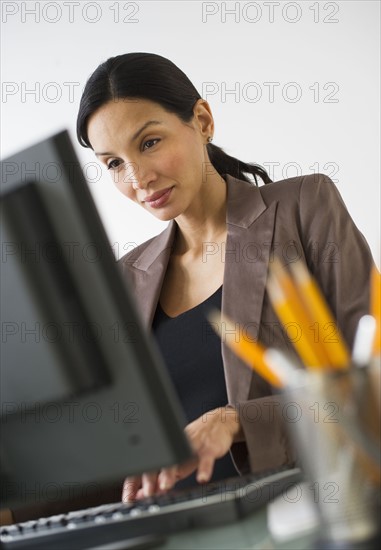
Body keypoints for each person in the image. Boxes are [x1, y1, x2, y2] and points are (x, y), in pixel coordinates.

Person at [76, 52, 376, 502]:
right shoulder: (126, 280)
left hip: (309, 509)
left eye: (150, 142)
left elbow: (371, 383)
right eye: (113, 163)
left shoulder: (304, 207)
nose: (139, 177)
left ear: (201, 120)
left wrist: (237, 421)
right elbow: (113, 453)